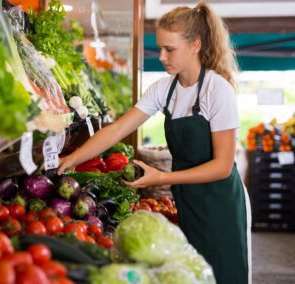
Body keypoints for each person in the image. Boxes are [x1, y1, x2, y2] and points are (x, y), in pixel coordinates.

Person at [58, 2, 251, 283]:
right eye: (160, 47)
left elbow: (222, 166)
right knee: (190, 273)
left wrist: (161, 177)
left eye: (169, 49)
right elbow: (118, 129)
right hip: (188, 199)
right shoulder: (164, 88)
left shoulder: (216, 90)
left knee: (222, 274)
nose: (161, 56)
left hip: (220, 202)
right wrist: (71, 160)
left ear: (196, 45)